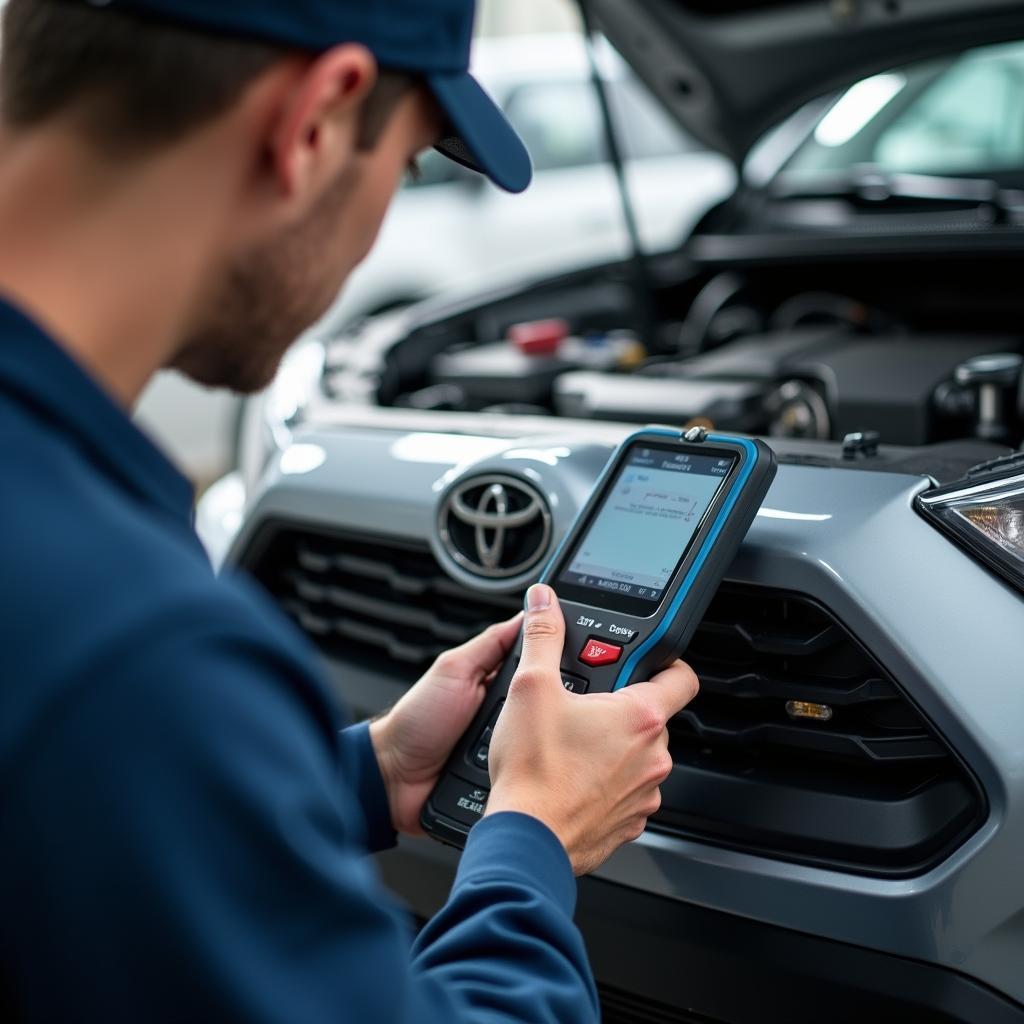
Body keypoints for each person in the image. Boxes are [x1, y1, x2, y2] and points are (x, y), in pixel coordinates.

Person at [0, 1, 699, 1020]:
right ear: (317, 123)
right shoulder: (128, 643)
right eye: (410, 161)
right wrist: (531, 837)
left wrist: (366, 773)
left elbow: (74, 813)